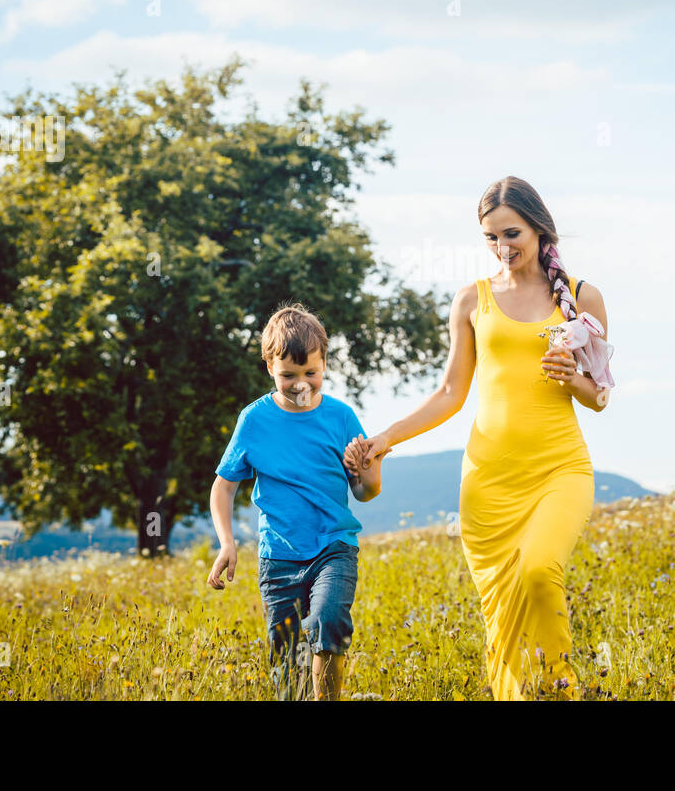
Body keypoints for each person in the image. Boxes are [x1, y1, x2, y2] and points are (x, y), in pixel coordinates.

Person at [349, 176, 610, 700]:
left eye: (511, 233)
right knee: (503, 617)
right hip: (487, 483)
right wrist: (385, 439)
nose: (502, 247)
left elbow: (600, 395)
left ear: (539, 228)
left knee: (540, 570)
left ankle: (564, 689)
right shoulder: (472, 299)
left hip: (560, 469)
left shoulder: (581, 296)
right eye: (490, 238)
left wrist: (571, 377)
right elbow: (449, 392)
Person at [206, 302, 382, 700]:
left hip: (333, 548)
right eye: (288, 375)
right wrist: (228, 543)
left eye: (311, 374)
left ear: (324, 365)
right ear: (270, 367)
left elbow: (366, 492)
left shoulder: (341, 417)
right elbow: (223, 486)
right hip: (278, 556)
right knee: (287, 659)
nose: (301, 384)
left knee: (326, 620)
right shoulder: (253, 421)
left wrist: (368, 469)